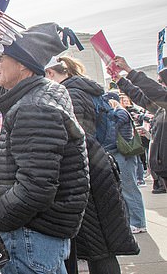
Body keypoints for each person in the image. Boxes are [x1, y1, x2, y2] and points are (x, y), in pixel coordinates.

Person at [0, 23, 90, 274]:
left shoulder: (33, 108)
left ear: (23, 64)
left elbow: (36, 187)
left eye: (0, 58)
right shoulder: (43, 93)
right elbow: (3, 81)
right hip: (41, 233)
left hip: (29, 234)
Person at [45, 56, 139, 274]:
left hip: (90, 173)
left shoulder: (71, 94)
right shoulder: (84, 89)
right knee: (101, 247)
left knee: (99, 248)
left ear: (50, 74)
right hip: (97, 169)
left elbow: (77, 136)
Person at [111, 56, 167, 192]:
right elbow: (141, 98)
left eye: (162, 82)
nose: (161, 85)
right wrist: (120, 80)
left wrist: (129, 71)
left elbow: (155, 91)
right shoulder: (161, 108)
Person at [102, 92, 148, 234]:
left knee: (129, 188)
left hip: (124, 155)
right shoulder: (121, 112)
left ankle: (138, 222)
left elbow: (112, 129)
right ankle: (133, 221)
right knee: (126, 188)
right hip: (123, 155)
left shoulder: (120, 113)